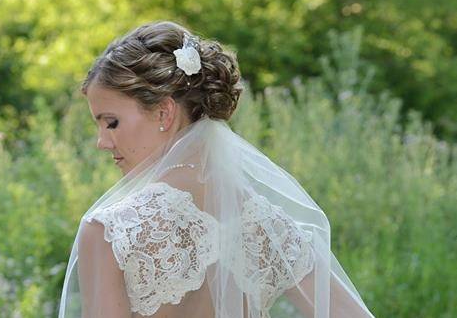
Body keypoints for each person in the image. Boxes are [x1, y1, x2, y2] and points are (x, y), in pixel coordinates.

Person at [58, 21, 375, 318]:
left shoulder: (111, 231)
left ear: (164, 113)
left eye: (111, 122)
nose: (102, 142)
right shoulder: (264, 223)